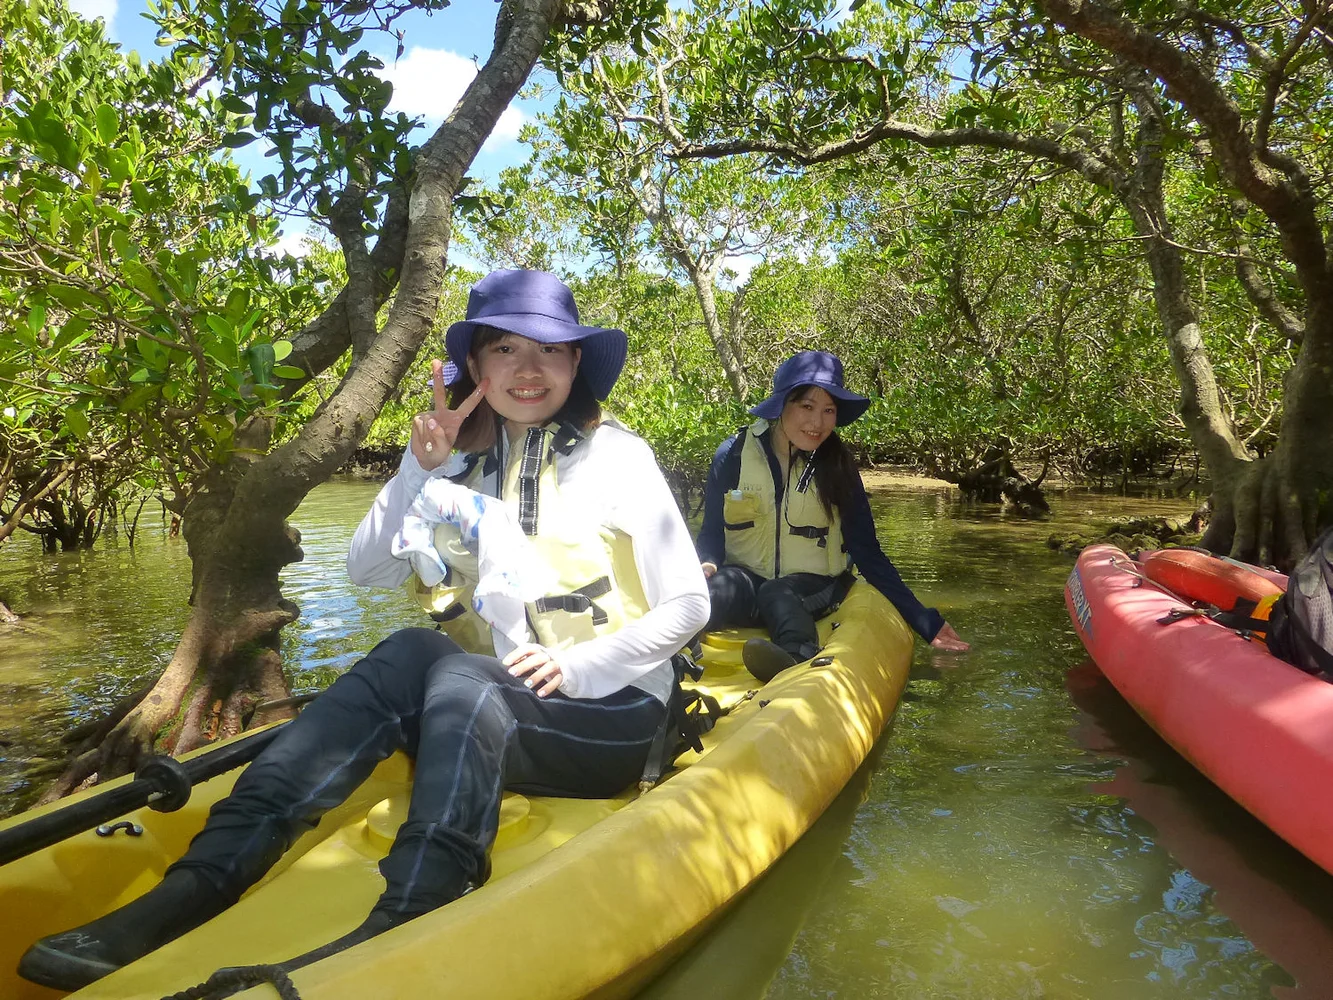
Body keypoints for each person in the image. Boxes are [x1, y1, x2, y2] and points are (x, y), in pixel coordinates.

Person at [19, 270, 710, 991]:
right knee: (413, 650)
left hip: (612, 714)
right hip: (487, 709)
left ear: (575, 365)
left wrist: (581, 667)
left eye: (549, 350)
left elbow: (688, 606)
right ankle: (194, 887)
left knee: (466, 676)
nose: (527, 369)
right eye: (504, 349)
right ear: (474, 368)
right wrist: (417, 467)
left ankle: (417, 907)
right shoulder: (461, 467)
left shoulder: (618, 458)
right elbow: (367, 570)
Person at [696, 350, 968, 681]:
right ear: (782, 405)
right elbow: (711, 534)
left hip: (816, 587)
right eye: (807, 407)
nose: (818, 423)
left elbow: (867, 552)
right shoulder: (734, 455)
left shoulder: (837, 466)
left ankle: (795, 659)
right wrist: (706, 563)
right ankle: (670, 660)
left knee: (777, 592)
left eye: (829, 410)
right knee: (715, 589)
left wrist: (925, 621)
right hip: (748, 580)